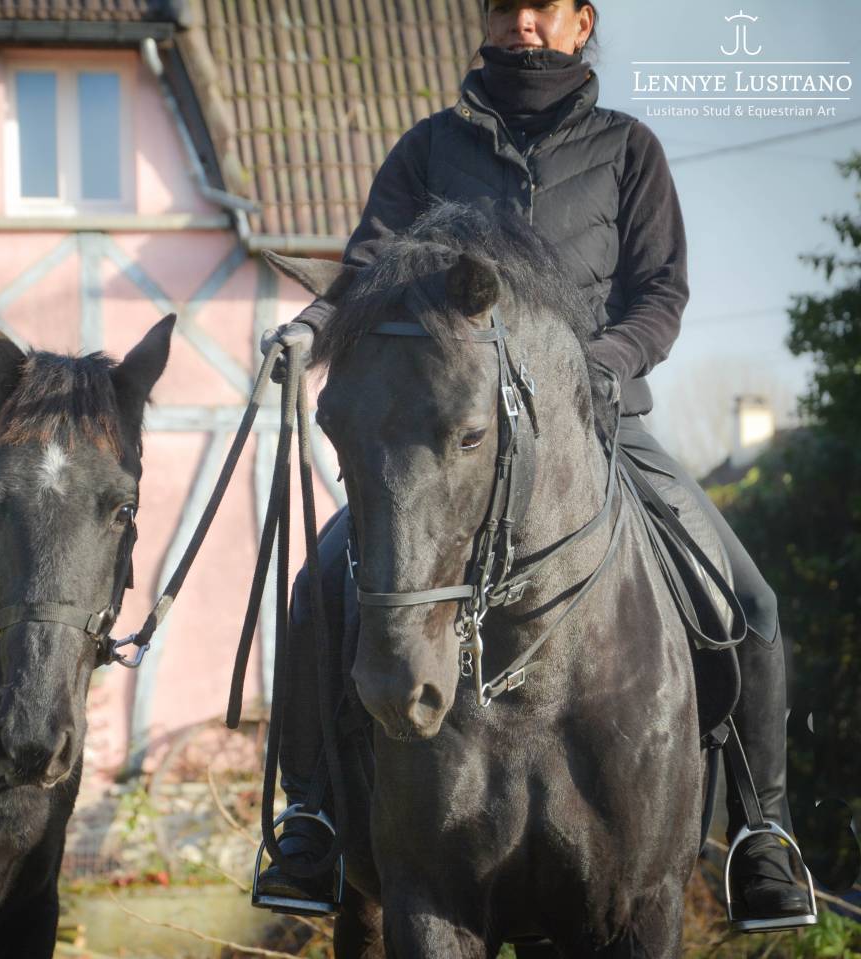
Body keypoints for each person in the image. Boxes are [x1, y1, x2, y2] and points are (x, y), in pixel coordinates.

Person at [254, 0, 815, 929]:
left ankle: (765, 832)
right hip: (449, 432)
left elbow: (660, 293)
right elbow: (367, 268)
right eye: (503, 6)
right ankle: (311, 814)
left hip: (599, 425)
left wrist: (607, 361)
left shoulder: (629, 150)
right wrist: (308, 328)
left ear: (581, 22)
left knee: (747, 602)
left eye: (542, 7)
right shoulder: (430, 148)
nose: (521, 22)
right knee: (320, 585)